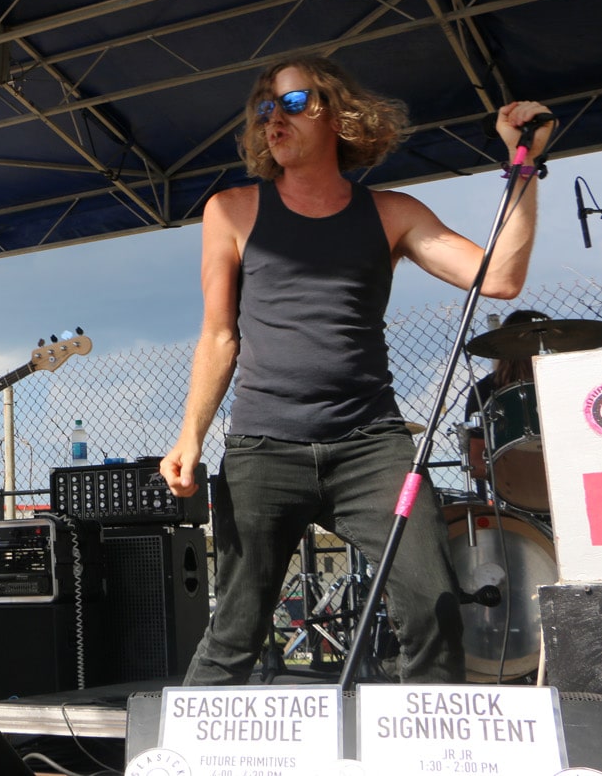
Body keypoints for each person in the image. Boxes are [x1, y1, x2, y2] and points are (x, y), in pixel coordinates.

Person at [159, 56, 551, 685]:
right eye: (265, 108)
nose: (273, 119)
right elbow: (219, 333)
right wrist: (190, 438)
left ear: (337, 115)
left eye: (293, 103)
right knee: (236, 629)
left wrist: (523, 165)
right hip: (264, 448)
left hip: (371, 447)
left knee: (434, 609)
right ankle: (187, 741)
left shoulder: (392, 213)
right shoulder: (231, 210)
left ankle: (425, 736)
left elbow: (499, 278)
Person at [462, 309, 552, 482]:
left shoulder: (562, 382)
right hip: (515, 483)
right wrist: (516, 474)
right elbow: (475, 461)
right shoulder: (485, 389)